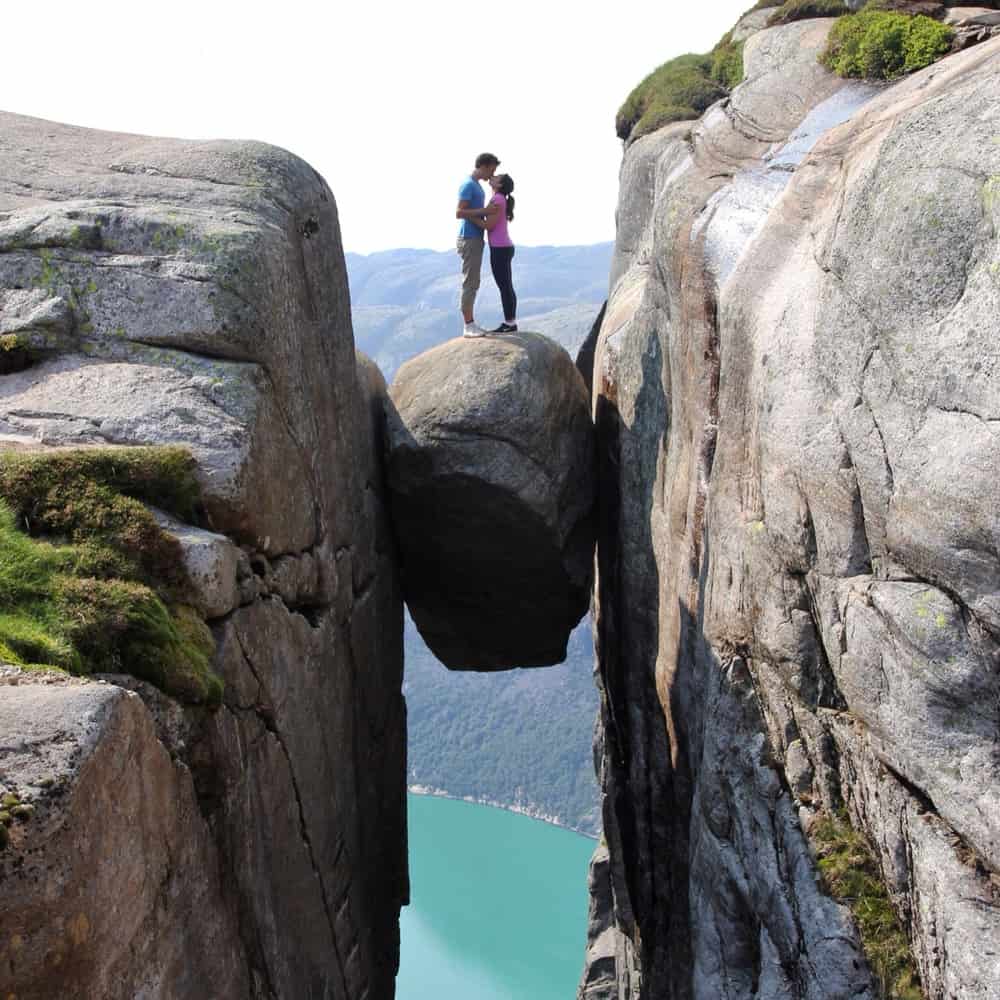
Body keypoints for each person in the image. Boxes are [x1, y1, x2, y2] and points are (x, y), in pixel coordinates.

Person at [459, 174, 517, 334]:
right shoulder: (500, 198)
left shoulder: (497, 199)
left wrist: (470, 216)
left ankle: (510, 323)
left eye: (497, 177)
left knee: (504, 286)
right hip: (504, 246)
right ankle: (511, 321)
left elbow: (488, 225)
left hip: (500, 249)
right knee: (507, 285)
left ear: (499, 185)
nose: (493, 176)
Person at [455, 153, 499, 337]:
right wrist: (485, 212)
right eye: (492, 169)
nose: (492, 173)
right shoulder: (468, 185)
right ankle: (468, 325)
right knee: (470, 281)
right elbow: (459, 212)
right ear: (484, 165)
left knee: (474, 281)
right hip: (469, 238)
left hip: (475, 237)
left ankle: (470, 323)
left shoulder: (476, 186)